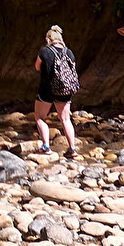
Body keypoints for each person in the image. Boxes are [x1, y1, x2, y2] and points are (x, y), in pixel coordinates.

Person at [34, 24, 80, 158]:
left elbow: (37, 67)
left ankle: (46, 146)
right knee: (65, 119)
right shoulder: (69, 52)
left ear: (48, 39)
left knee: (39, 117)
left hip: (47, 90)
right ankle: (72, 149)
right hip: (65, 89)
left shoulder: (44, 51)